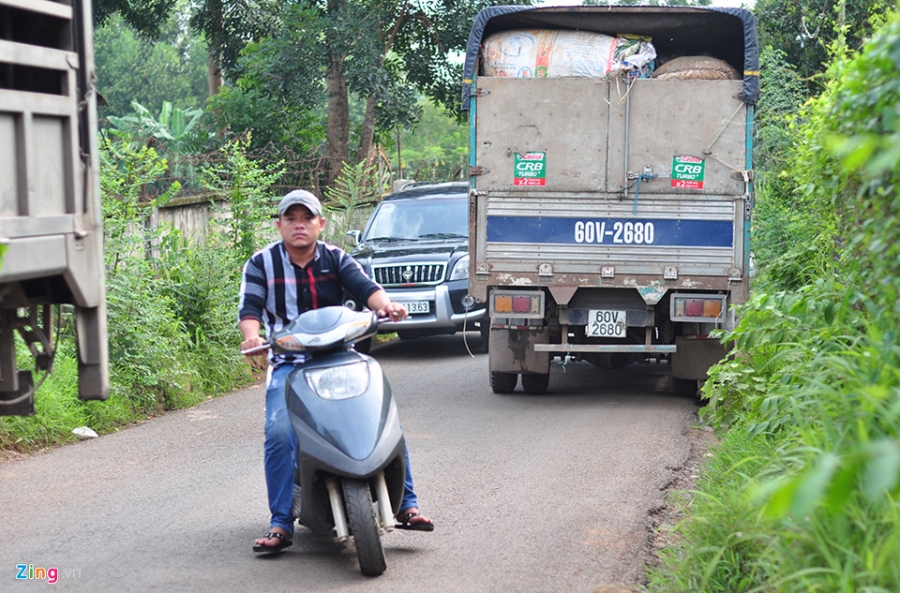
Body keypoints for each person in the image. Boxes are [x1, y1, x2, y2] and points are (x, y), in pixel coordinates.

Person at [239, 189, 434, 553]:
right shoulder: (260, 264)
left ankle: (406, 504)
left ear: (320, 224)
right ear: (279, 225)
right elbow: (249, 310)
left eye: (307, 218)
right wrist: (252, 338)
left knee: (384, 420)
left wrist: (387, 306)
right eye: (291, 219)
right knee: (279, 433)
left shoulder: (336, 257)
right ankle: (281, 522)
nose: (299, 225)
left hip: (340, 357)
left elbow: (366, 289)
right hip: (289, 363)